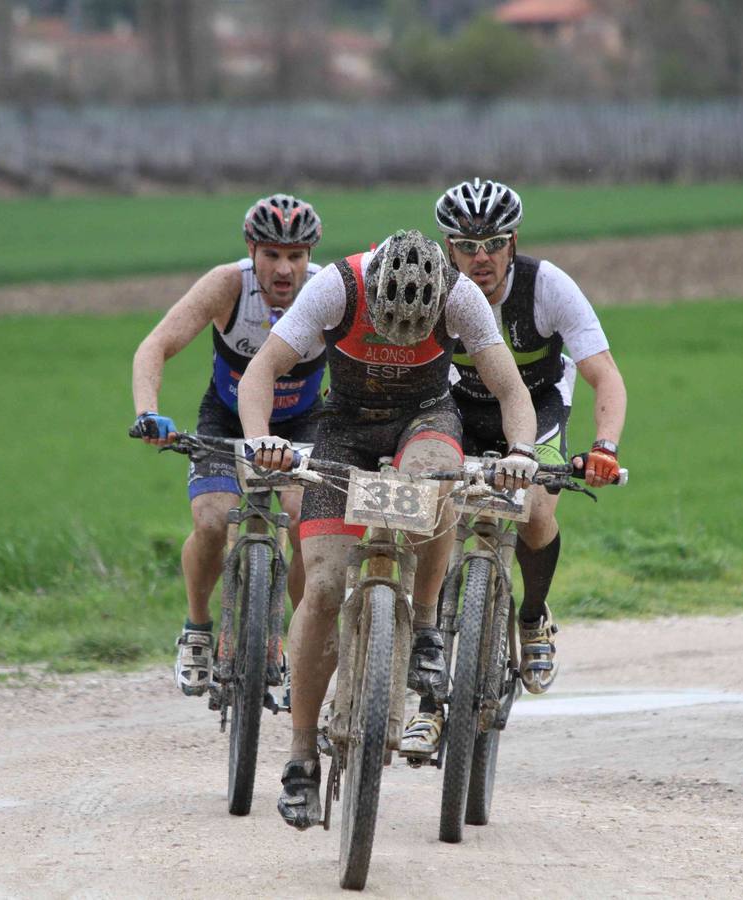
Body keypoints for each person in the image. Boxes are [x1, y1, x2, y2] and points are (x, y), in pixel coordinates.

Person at [237, 229, 538, 831]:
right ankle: (300, 759)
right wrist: (259, 439)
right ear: (372, 294)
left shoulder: (460, 295)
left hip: (424, 419)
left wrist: (522, 450)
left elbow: (511, 389)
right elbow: (260, 374)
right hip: (344, 428)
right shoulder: (334, 287)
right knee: (321, 588)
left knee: (434, 478)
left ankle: (425, 625)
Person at [411, 177, 627, 744]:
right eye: (465, 245)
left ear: (513, 243)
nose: (480, 258)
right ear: (446, 247)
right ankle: (428, 684)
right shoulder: (430, 287)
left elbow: (603, 374)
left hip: (538, 408)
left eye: (493, 243)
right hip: (456, 406)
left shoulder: (547, 285)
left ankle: (531, 618)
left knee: (533, 512)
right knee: (430, 515)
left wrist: (604, 448)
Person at [131, 193, 325, 697]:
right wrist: (147, 412)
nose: (284, 269)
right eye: (272, 255)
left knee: (306, 521)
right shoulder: (226, 286)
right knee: (213, 521)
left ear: (310, 257)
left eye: (296, 256)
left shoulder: (328, 291)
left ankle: (295, 637)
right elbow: (156, 345)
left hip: (302, 423)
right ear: (251, 250)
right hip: (227, 418)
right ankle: (197, 629)